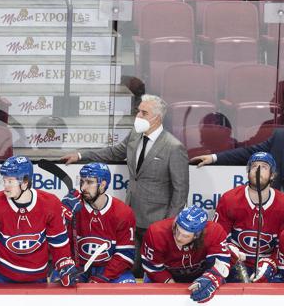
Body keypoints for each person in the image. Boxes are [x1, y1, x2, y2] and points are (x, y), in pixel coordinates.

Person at [61, 95, 189, 257]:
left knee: (153, 267)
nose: (138, 116)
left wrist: (169, 223)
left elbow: (181, 191)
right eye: (138, 112)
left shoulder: (174, 147)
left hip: (157, 219)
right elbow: (114, 152)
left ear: (157, 118)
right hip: (131, 213)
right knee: (130, 264)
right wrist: (81, 155)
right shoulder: (135, 135)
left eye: (144, 113)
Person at [0, 156, 78, 287]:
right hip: (1, 276)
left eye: (10, 181)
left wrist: (64, 264)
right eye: (4, 180)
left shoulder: (50, 203)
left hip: (38, 278)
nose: (5, 186)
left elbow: (58, 242)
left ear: (25, 182)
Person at [213, 152, 284, 281]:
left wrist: (270, 263)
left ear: (272, 175)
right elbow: (217, 237)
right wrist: (231, 251)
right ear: (248, 173)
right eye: (254, 166)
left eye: (264, 167)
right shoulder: (229, 199)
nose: (258, 170)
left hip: (268, 264)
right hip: (236, 263)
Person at [60, 163, 137, 283]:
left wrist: (104, 276)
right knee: (59, 284)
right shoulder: (74, 205)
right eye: (82, 181)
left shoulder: (123, 212)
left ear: (102, 185)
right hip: (78, 267)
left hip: (108, 268)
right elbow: (58, 244)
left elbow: (125, 254)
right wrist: (62, 216)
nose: (83, 187)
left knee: (127, 286)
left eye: (89, 182)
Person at [141, 206, 232, 303]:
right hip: (165, 275)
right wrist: (174, 290)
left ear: (198, 235)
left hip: (200, 276)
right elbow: (153, 268)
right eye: (177, 230)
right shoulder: (156, 232)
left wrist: (210, 279)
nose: (179, 238)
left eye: (186, 236)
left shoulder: (214, 231)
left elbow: (221, 264)